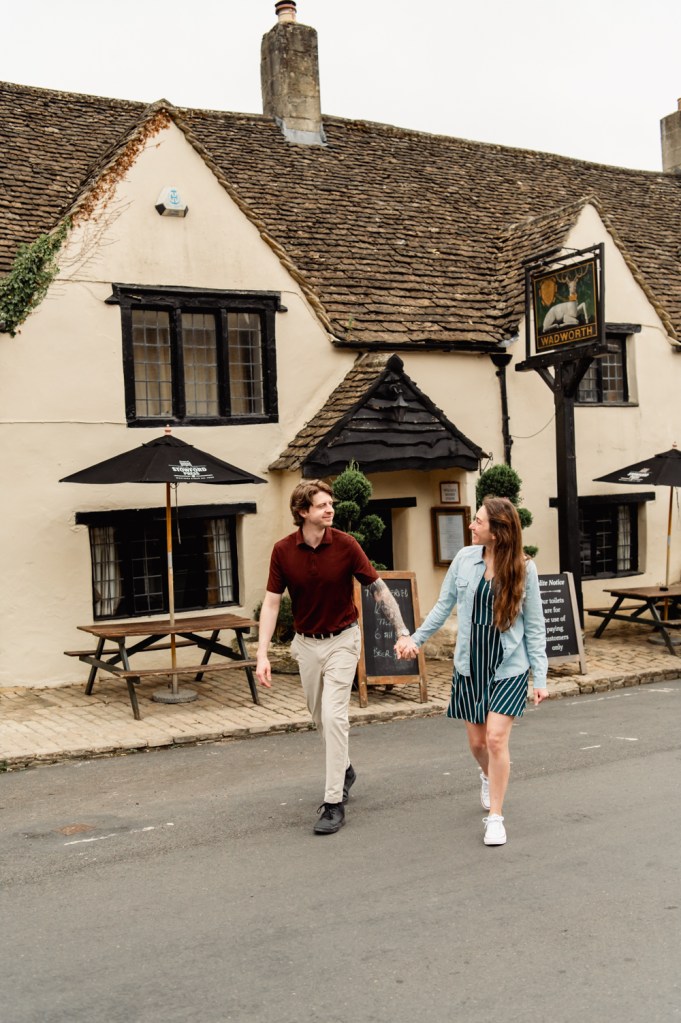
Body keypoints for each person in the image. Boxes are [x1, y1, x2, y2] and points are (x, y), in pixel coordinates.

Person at [256, 479, 410, 835]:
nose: (330, 509)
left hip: (342, 639)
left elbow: (377, 590)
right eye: (322, 505)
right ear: (302, 511)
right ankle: (345, 768)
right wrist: (262, 653)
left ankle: (333, 803)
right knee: (318, 718)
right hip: (306, 644)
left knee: (334, 715)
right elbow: (272, 602)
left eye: (331, 504)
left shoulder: (346, 545)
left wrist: (402, 631)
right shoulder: (282, 551)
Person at [395, 496, 548, 846]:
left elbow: (536, 626)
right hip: (469, 665)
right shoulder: (464, 560)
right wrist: (415, 640)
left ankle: (496, 816)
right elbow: (442, 606)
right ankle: (488, 775)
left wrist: (539, 677)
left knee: (495, 739)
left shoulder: (525, 568)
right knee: (478, 744)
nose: (471, 525)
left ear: (497, 531)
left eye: (478, 521)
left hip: (507, 666)